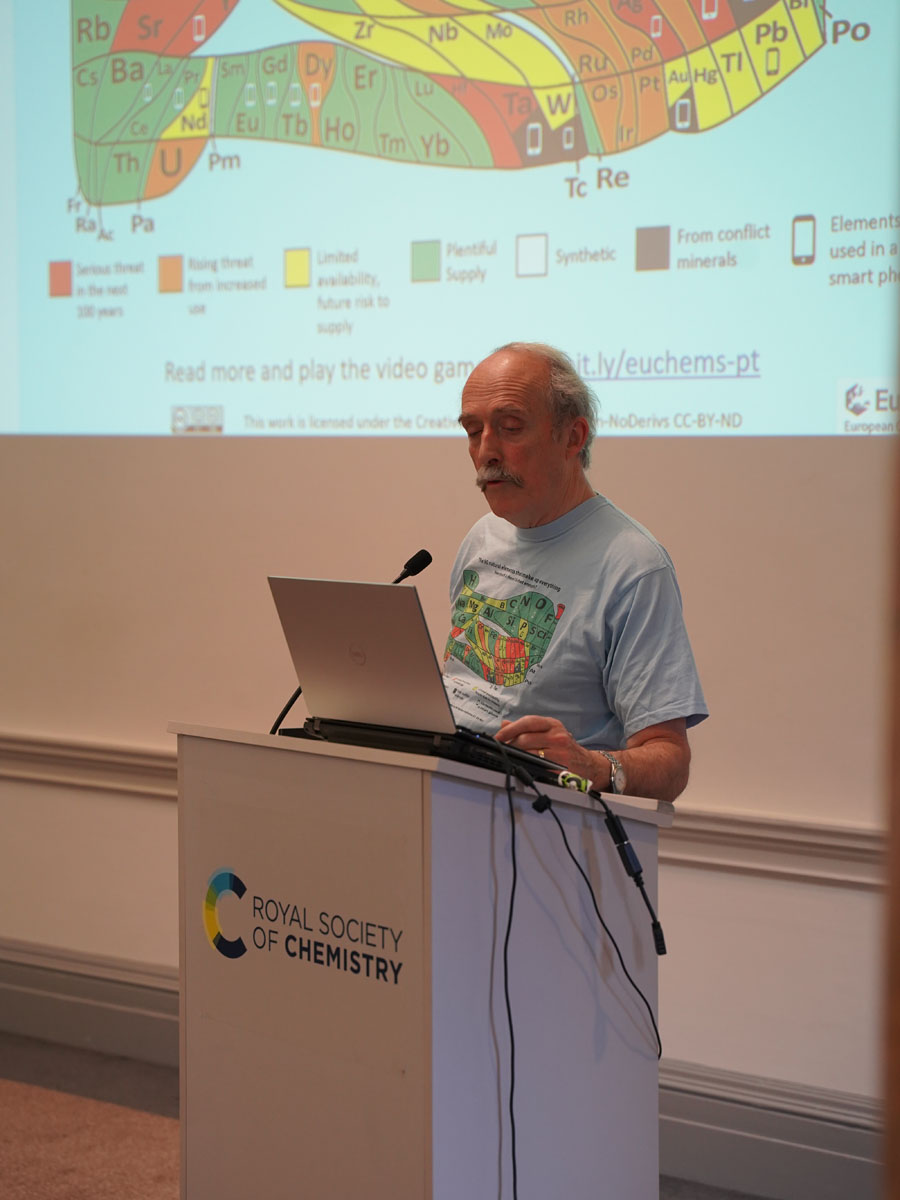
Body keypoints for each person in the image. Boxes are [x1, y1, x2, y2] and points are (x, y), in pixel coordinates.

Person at [441, 342, 707, 803]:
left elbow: (670, 760)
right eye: (473, 430)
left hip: (551, 835)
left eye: (510, 428)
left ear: (572, 437)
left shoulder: (634, 567)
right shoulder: (481, 538)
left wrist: (593, 765)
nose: (486, 451)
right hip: (448, 805)